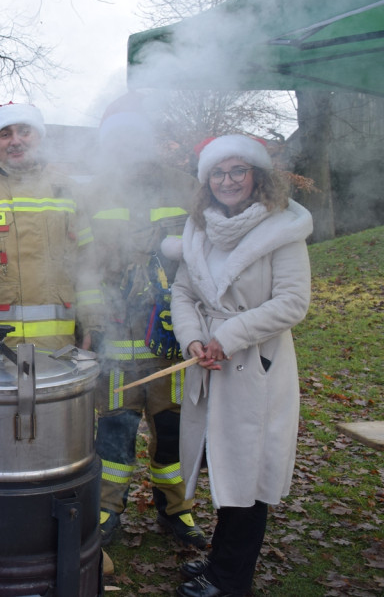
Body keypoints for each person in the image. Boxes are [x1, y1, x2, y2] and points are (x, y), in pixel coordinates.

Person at [169, 134, 312, 597]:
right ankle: (220, 559)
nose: (227, 180)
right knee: (223, 466)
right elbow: (183, 293)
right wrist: (192, 338)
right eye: (218, 172)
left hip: (255, 366)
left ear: (256, 177)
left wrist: (226, 337)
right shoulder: (200, 228)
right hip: (208, 367)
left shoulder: (283, 229)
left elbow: (293, 303)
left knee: (247, 473)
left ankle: (230, 580)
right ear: (206, 180)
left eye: (237, 171)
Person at [82, 94, 207, 550]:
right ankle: (107, 509)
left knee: (172, 434)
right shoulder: (92, 194)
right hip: (115, 343)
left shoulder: (185, 187)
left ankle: (177, 508)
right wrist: (93, 326)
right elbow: (84, 267)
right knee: (113, 432)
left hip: (172, 345)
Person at [0, 101, 100, 351]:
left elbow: (88, 267)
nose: (15, 141)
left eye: (24, 131)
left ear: (39, 137)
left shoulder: (68, 191)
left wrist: (93, 324)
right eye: (5, 134)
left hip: (60, 349)